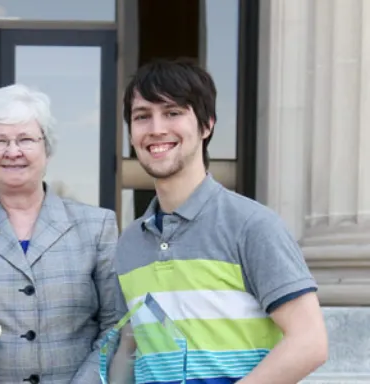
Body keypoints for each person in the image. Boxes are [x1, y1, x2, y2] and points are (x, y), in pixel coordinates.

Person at [114, 59, 328, 383]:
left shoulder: (253, 226)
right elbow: (128, 349)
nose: (156, 128)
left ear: (206, 124)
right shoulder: (129, 243)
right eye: (142, 116)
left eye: (172, 112)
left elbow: (310, 342)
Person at [0, 84, 122, 384]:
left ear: (47, 148)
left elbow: (115, 324)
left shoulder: (97, 226)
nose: (12, 151)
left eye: (26, 139)